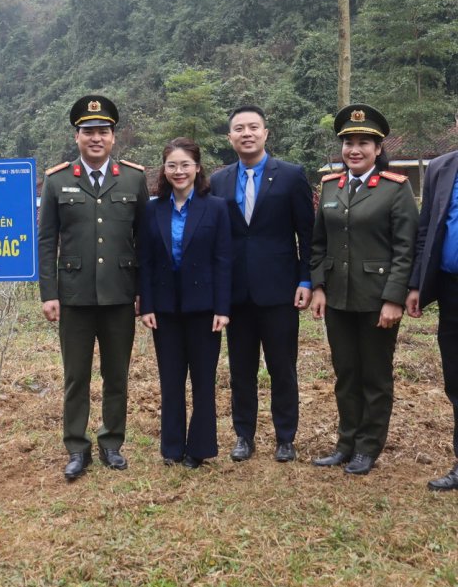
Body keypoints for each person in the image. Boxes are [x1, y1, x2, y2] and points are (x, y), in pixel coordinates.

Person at [38, 94, 149, 480]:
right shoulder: (57, 181)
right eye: (89, 132)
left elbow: (145, 241)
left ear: (114, 137)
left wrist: (143, 292)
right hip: (74, 295)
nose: (96, 138)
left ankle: (112, 443)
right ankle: (76, 447)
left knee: (116, 374)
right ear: (77, 136)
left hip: (120, 294)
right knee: (76, 376)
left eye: (103, 131)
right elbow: (46, 241)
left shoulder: (134, 178)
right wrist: (48, 293)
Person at [311, 104, 418, 475]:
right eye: (348, 143)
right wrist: (319, 286)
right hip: (338, 297)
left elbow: (407, 248)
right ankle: (346, 442)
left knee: (375, 375)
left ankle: (368, 446)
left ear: (377, 148)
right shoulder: (329, 187)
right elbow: (318, 243)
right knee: (346, 373)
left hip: (377, 300)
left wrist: (394, 298)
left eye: (363, 144)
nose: (354, 150)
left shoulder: (394, 189)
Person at [210, 105, 314, 463]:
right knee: (240, 368)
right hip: (236, 293)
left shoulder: (290, 175)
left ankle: (286, 437)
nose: (247, 133)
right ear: (230, 138)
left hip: (279, 290)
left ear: (266, 133)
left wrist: (306, 279)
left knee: (282, 366)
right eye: (239, 128)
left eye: (253, 127)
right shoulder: (219, 180)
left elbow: (307, 234)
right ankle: (244, 435)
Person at [140, 137, 231, 468]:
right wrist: (146, 305)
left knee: (203, 381)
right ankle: (172, 447)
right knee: (171, 380)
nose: (179, 171)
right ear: (164, 170)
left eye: (185, 165)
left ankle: (200, 448)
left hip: (205, 308)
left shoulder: (216, 207)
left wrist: (223, 308)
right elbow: (145, 261)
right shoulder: (152, 209)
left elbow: (224, 260)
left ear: (197, 167)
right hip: (164, 309)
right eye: (172, 165)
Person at [406, 148, 458, 490]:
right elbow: (425, 231)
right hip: (452, 288)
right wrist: (415, 285)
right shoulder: (441, 166)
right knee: (456, 379)